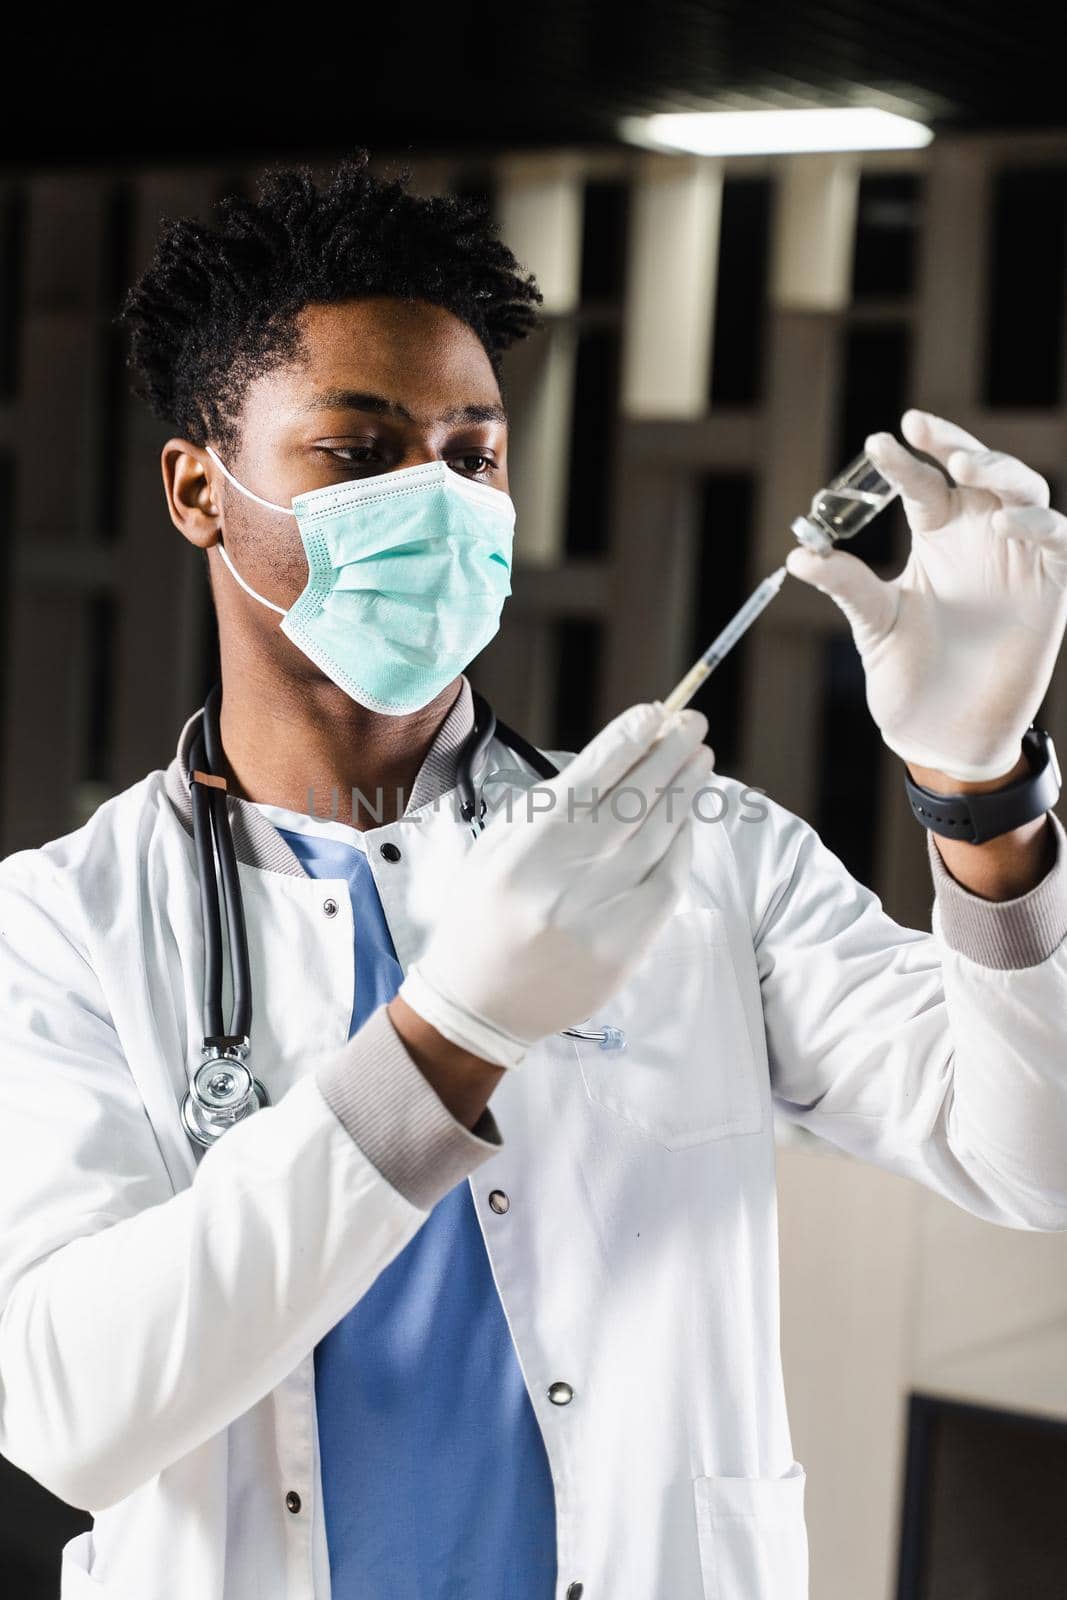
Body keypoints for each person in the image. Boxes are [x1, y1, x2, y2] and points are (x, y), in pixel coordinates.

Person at [1, 152, 1066, 1600]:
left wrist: (981, 790)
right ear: (201, 488)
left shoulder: (702, 858)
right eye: (360, 450)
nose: (438, 499)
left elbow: (1032, 1161)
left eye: (473, 453)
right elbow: (73, 1413)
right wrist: (450, 1036)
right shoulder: (58, 925)